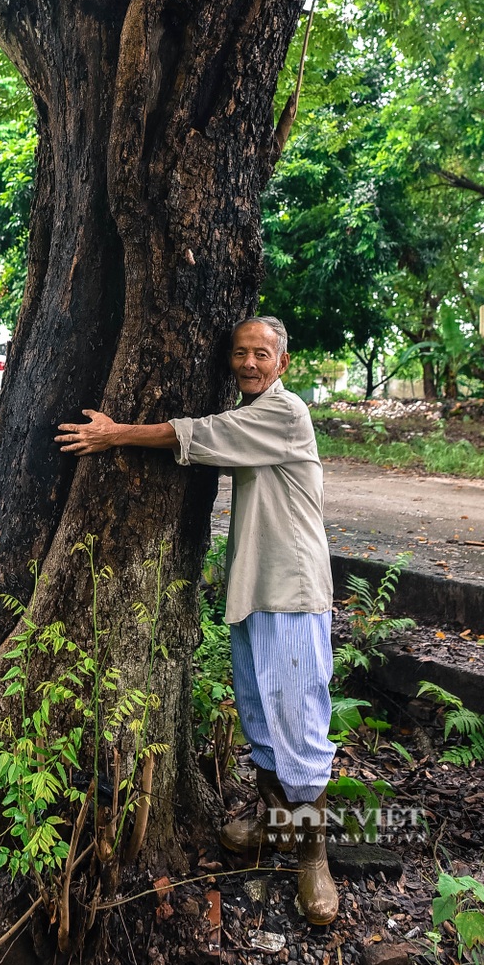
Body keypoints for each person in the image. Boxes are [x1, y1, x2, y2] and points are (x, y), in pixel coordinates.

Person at [55, 316, 338, 925]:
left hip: (291, 592)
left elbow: (202, 435)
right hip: (251, 589)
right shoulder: (255, 414)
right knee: (261, 716)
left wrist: (115, 434)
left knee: (301, 726)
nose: (249, 364)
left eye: (262, 354)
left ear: (282, 364)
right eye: (240, 353)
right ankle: (274, 828)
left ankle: (313, 856)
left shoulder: (285, 414)